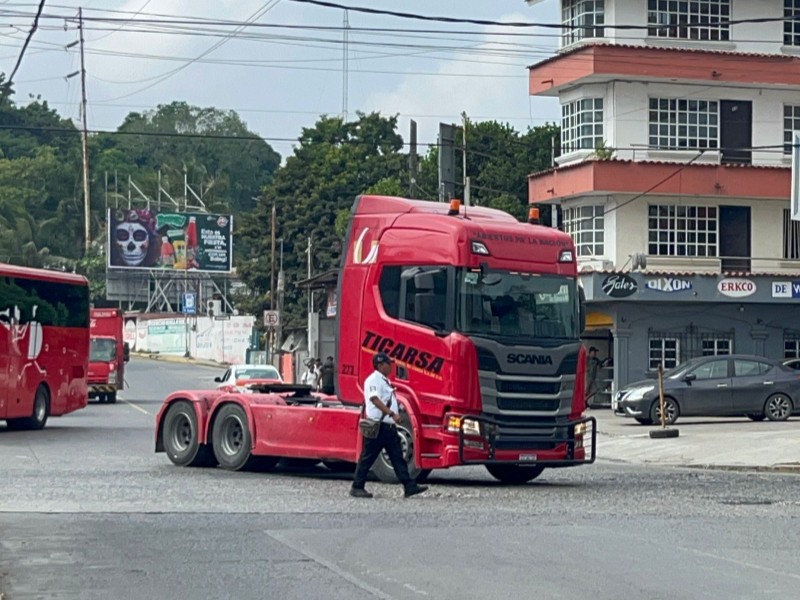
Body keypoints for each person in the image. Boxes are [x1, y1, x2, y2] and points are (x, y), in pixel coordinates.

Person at [350, 352, 428, 499]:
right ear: (380, 365)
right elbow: (374, 399)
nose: (391, 366)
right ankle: (357, 486)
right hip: (379, 426)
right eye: (388, 363)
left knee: (397, 457)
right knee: (367, 457)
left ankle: (409, 486)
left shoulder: (384, 380)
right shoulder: (373, 380)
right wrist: (392, 414)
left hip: (388, 427)